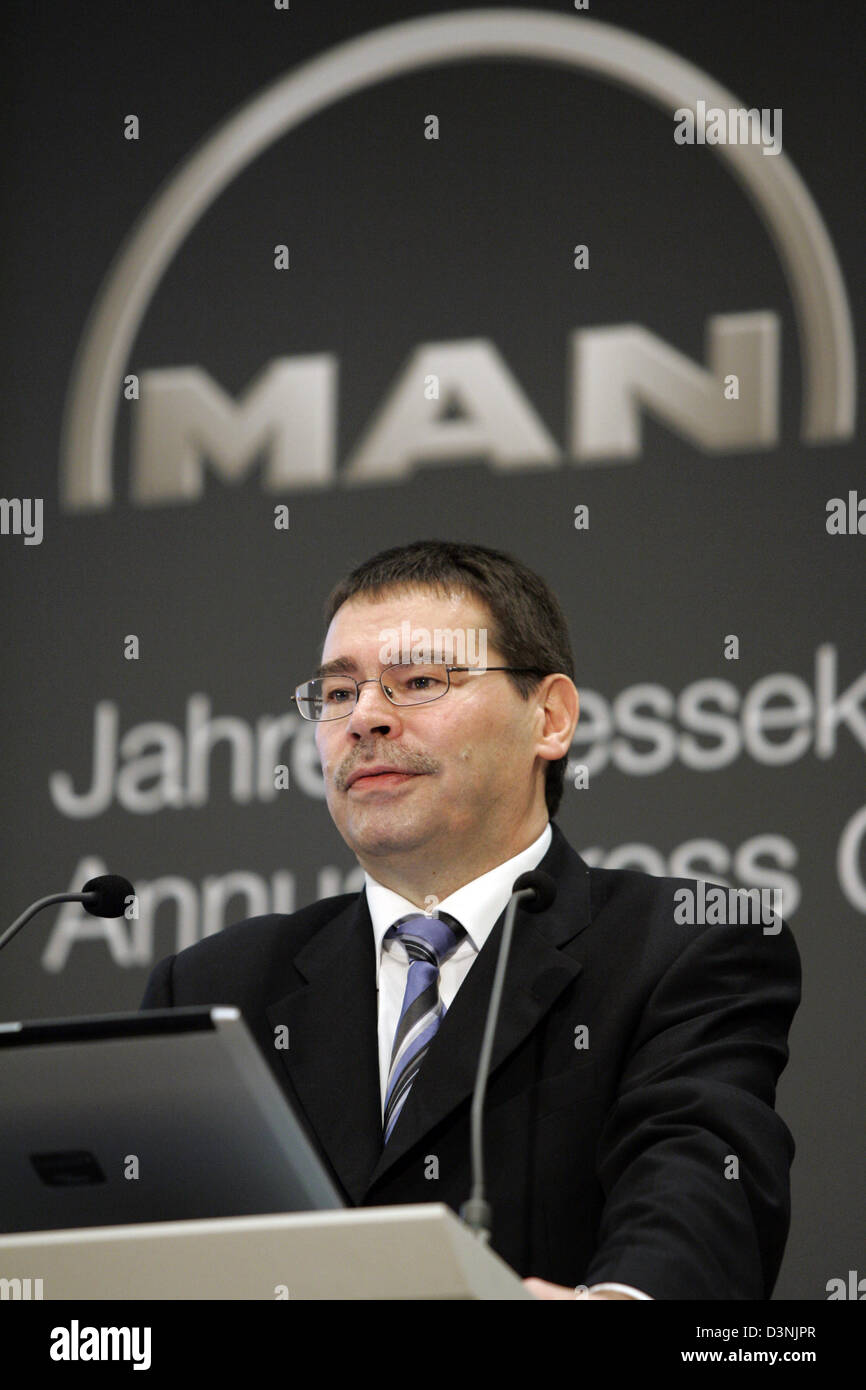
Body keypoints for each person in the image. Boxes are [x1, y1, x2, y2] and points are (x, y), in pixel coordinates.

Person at [141, 539, 800, 1300]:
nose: (365, 720)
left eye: (418, 681)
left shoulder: (684, 947)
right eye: (337, 694)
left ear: (549, 718)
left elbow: (697, 1192)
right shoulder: (216, 986)